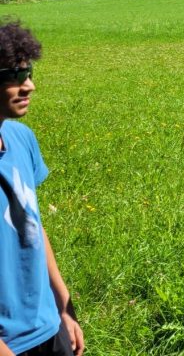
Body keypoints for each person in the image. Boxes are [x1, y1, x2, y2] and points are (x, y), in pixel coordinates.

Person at [0, 21, 84, 356]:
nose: (30, 86)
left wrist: (63, 306)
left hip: (47, 326)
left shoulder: (21, 138)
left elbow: (31, 224)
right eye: (16, 76)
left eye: (29, 73)